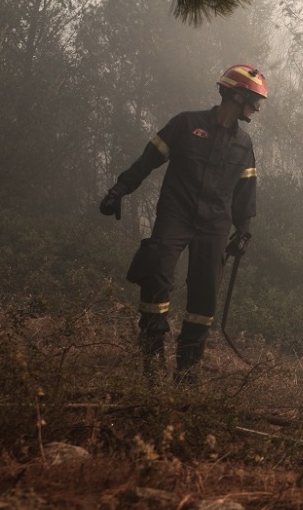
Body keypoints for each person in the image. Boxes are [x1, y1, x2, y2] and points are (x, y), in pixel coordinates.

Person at [99, 65, 267, 383]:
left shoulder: (244, 145)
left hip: (215, 225)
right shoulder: (185, 124)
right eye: (254, 100)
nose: (257, 108)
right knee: (156, 275)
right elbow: (148, 159)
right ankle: (151, 355)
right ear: (235, 95)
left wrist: (243, 231)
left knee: (204, 299)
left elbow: (246, 192)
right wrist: (120, 188)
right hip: (176, 214)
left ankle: (186, 373)